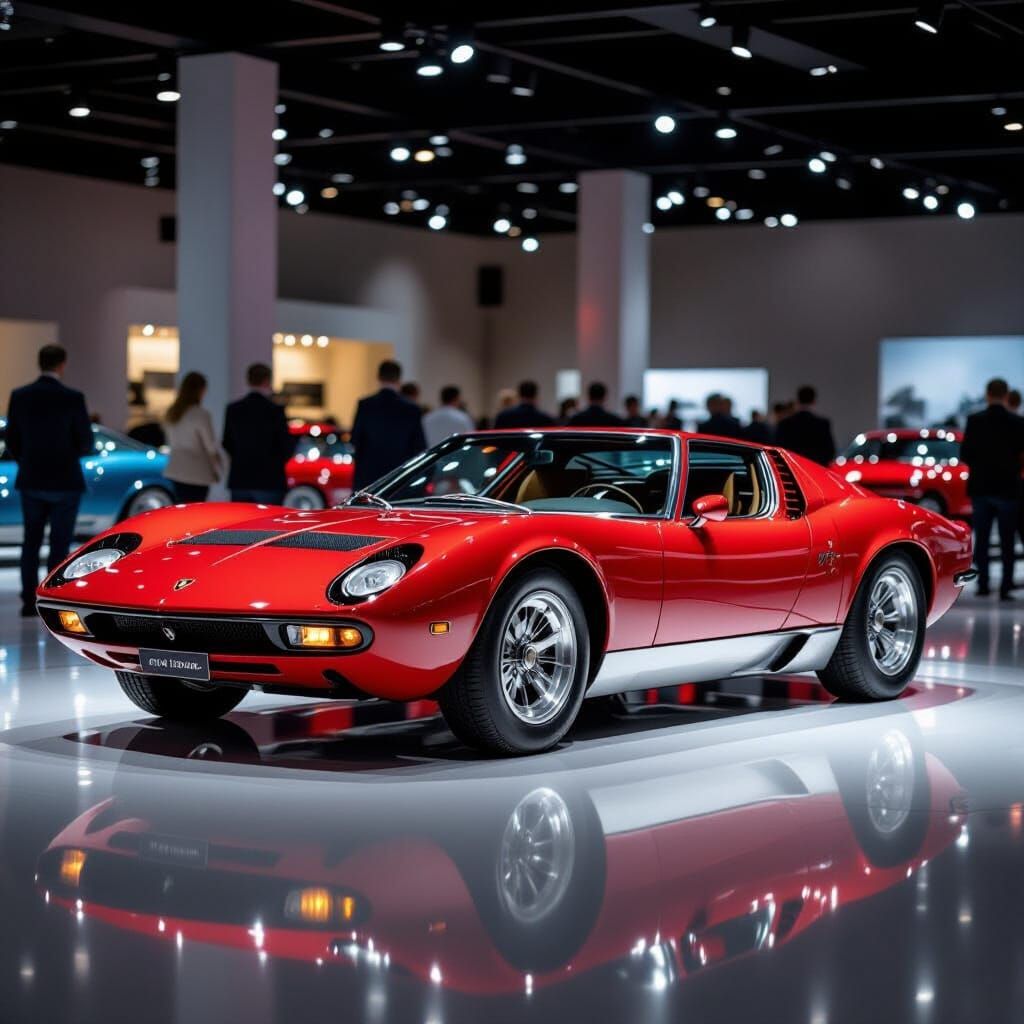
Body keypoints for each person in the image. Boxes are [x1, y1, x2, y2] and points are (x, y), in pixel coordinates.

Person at [5, 344, 93, 616]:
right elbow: (86, 442)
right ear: (62, 365)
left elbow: (11, 440)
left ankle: (28, 601)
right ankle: (52, 600)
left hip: (32, 478)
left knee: (31, 542)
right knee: (60, 543)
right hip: (65, 480)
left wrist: (27, 461)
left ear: (39, 363)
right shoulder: (73, 397)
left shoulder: (20, 396)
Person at [961, 378, 1024, 600]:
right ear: (1006, 395)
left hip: (981, 488)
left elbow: (965, 455)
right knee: (1008, 541)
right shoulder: (1018, 422)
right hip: (1008, 489)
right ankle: (1006, 587)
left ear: (987, 394)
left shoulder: (974, 420)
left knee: (983, 540)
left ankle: (983, 584)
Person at [222, 363, 294, 504]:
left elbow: (227, 443)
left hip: (240, 478)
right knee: (269, 518)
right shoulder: (275, 411)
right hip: (269, 479)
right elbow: (286, 446)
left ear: (248, 380)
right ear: (267, 381)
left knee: (242, 518)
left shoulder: (233, 409)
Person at [351, 360, 427, 492]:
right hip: (399, 478)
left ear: (378, 377)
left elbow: (355, 439)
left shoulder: (365, 405)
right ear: (399, 379)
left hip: (368, 477)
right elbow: (419, 446)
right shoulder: (412, 409)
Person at [163, 371, 222, 502]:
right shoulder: (200, 414)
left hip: (175, 470)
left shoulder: (172, 412)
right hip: (197, 473)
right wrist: (218, 467)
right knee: (196, 510)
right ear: (200, 390)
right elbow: (210, 447)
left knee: (180, 509)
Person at [774, 385, 836, 465]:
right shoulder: (822, 424)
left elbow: (778, 450)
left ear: (798, 400)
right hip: (814, 468)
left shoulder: (785, 423)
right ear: (814, 401)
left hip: (791, 467)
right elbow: (830, 451)